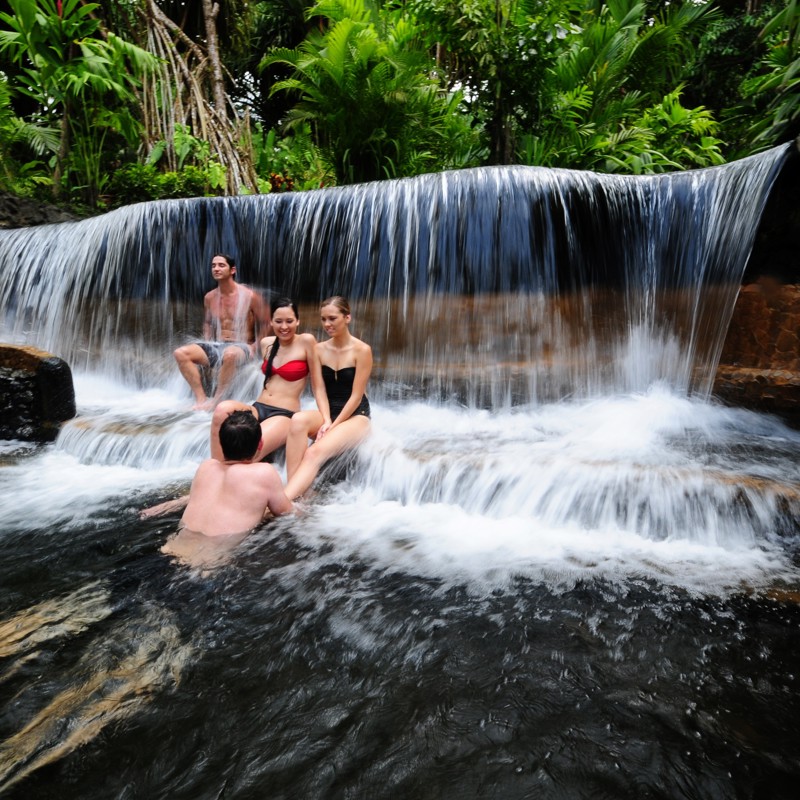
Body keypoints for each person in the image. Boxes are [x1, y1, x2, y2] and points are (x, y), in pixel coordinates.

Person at [283, 296, 372, 501]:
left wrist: (334, 424)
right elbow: (319, 389)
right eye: (323, 319)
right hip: (328, 411)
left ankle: (282, 502)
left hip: (356, 415)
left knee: (314, 453)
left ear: (347, 317)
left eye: (332, 318)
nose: (327, 324)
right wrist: (326, 419)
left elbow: (357, 396)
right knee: (297, 420)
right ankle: (298, 493)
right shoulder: (319, 349)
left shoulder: (362, 350)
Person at [209, 297, 317, 463]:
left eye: (289, 321)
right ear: (271, 323)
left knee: (250, 451)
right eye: (278, 321)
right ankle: (216, 466)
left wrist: (328, 419)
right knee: (221, 410)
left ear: (297, 321)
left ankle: (231, 474)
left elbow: (318, 385)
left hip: (284, 414)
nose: (284, 326)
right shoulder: (267, 343)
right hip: (257, 407)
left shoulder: (306, 342)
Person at [161, 410, 293, 540]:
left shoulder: (205, 467)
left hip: (173, 548)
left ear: (221, 442)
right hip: (216, 557)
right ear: (260, 444)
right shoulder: (263, 472)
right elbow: (286, 513)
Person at [173, 253, 268, 410]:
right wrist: (207, 340)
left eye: (221, 265)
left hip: (241, 346)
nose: (216, 268)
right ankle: (201, 399)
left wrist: (254, 346)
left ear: (232, 270)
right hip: (217, 344)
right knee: (180, 353)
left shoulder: (250, 296)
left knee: (229, 354)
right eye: (213, 266)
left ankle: (217, 400)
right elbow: (209, 323)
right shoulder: (210, 297)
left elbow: (266, 323)